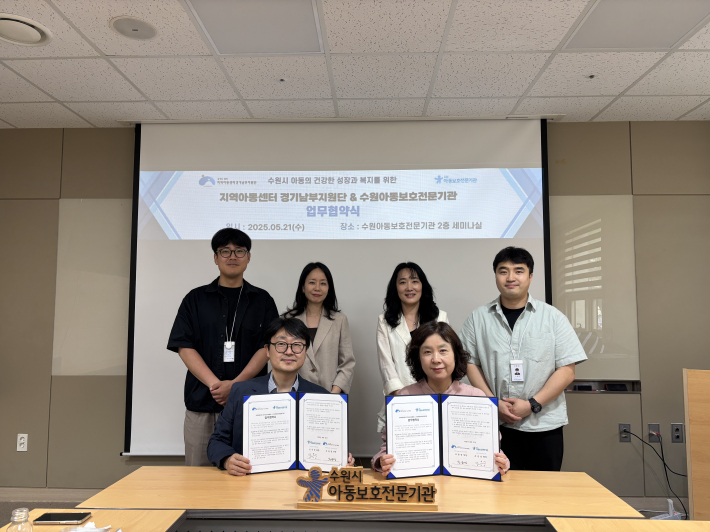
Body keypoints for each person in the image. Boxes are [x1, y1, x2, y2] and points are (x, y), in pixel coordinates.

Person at [461, 247, 587, 472]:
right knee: (498, 489)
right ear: (496, 276)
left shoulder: (553, 317)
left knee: (544, 490)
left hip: (544, 425)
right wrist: (493, 404)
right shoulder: (477, 318)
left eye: (519, 271)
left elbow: (567, 371)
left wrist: (532, 404)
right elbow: (470, 363)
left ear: (530, 276)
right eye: (503, 271)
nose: (510, 277)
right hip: (496, 425)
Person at [167, 228, 279, 466]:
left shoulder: (263, 301)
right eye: (225, 251)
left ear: (249, 257)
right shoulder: (195, 299)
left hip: (248, 404)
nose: (232, 256)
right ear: (215, 258)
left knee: (247, 471)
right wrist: (216, 386)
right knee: (197, 475)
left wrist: (235, 386)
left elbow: (267, 348)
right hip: (202, 403)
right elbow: (184, 346)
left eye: (239, 251)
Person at [207, 317, 354, 475]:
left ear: (305, 352)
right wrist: (228, 459)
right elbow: (217, 441)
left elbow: (330, 444)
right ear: (267, 350)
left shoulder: (322, 397)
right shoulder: (240, 391)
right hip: (250, 480)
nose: (289, 351)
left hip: (301, 482)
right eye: (281, 344)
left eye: (297, 345)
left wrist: (341, 458)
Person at [372, 321, 510, 476]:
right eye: (427, 352)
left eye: (443, 350)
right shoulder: (404, 397)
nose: (436, 359)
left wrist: (502, 462)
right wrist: (382, 461)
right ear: (418, 358)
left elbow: (491, 447)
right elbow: (387, 448)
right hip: (419, 483)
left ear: (456, 355)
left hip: (465, 483)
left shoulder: (476, 397)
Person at [375, 262, 447, 432]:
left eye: (414, 281)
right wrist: (403, 398)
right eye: (403, 282)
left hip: (434, 399)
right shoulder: (384, 321)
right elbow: (386, 365)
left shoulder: (440, 318)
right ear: (395, 288)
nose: (409, 287)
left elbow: (445, 359)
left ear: (422, 285)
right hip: (400, 402)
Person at [283, 262, 355, 394]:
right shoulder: (287, 320)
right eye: (312, 282)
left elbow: (347, 363)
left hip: (330, 394)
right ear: (303, 287)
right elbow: (281, 360)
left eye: (323, 283)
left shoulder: (340, 320)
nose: (317, 288)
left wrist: (334, 394)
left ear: (329, 288)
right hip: (295, 394)